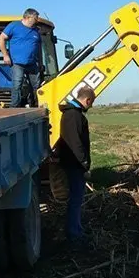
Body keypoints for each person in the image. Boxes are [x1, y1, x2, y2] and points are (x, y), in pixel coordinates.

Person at [53, 87, 97, 242]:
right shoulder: (74, 116)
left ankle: (76, 229)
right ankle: (74, 234)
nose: (91, 106)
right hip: (75, 165)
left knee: (76, 200)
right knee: (76, 200)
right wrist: (84, 164)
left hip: (73, 164)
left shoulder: (71, 114)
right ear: (88, 100)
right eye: (92, 103)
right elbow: (75, 143)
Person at [0, 8, 42, 108]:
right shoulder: (14, 26)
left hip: (32, 63)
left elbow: (38, 47)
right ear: (28, 17)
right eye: (35, 18)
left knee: (37, 86)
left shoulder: (36, 31)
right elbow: (1, 38)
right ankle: (15, 107)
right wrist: (5, 55)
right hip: (17, 63)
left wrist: (40, 62)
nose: (37, 20)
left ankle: (35, 105)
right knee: (17, 85)